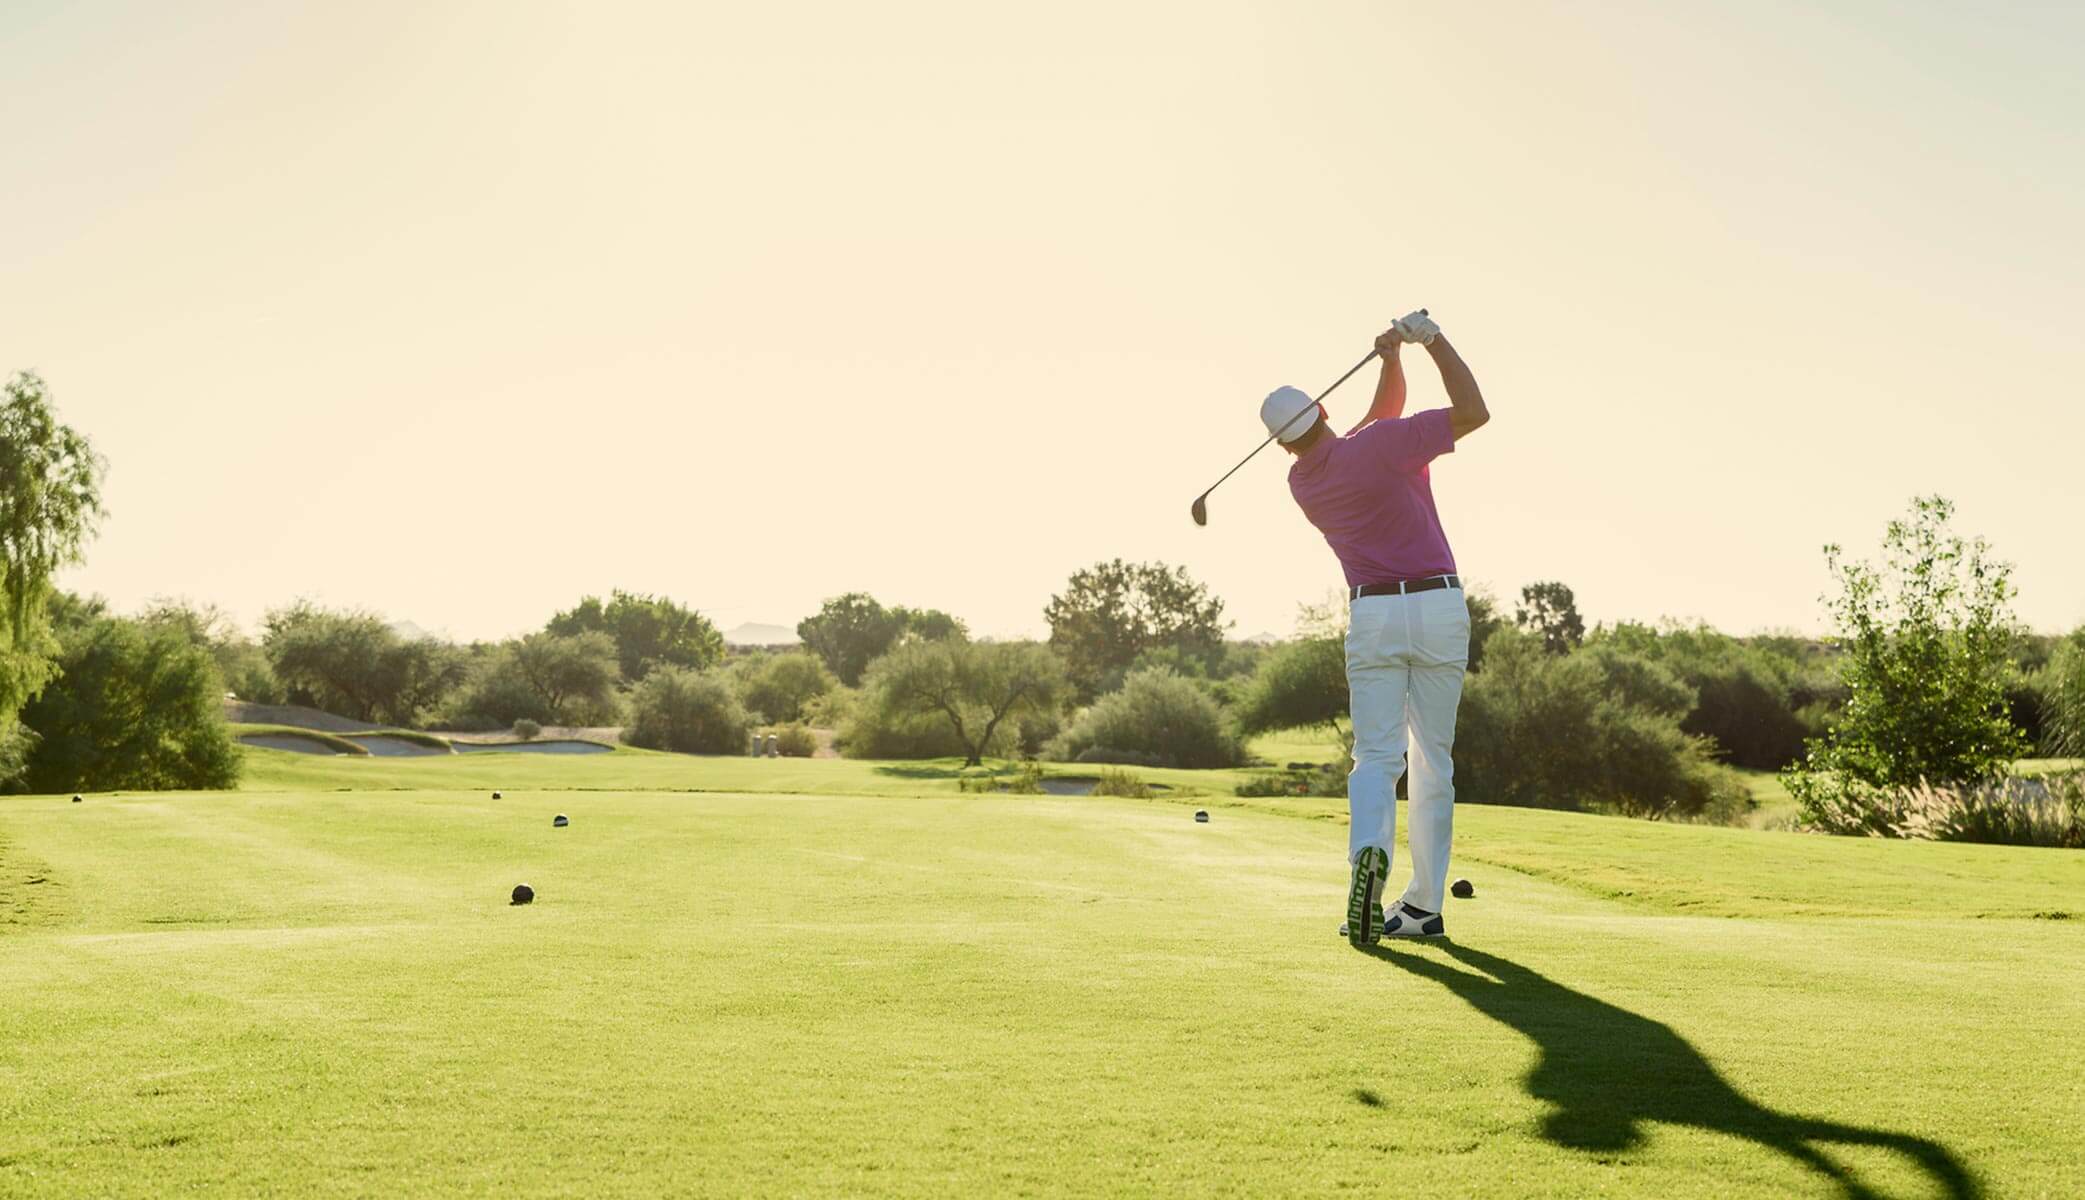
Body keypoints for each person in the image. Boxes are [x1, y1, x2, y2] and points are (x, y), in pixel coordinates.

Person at [1258, 310, 1490, 945]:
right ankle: (1422, 909)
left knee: (1376, 757)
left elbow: (1379, 420)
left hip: (1374, 615)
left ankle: (1367, 857)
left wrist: (1391, 362)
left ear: (1283, 443)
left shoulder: (1304, 481)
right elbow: (1474, 411)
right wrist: (1431, 341)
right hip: (1438, 607)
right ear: (1327, 412)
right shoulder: (1382, 445)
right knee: (1432, 759)